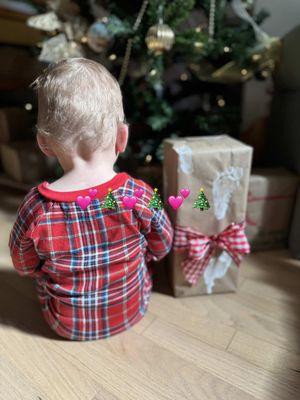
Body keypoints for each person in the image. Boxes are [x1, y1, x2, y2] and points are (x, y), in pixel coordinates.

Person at [9, 58, 173, 340]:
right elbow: (164, 243)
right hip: (132, 309)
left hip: (65, 324)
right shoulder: (141, 194)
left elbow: (23, 265)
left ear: (44, 144)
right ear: (122, 138)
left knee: (44, 275)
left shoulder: (37, 207)